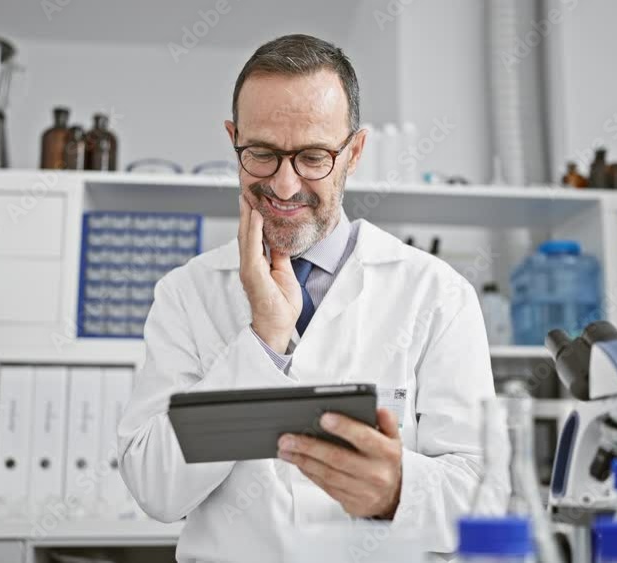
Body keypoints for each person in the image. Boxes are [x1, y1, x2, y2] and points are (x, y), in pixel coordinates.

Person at [118, 34, 506, 562]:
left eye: (313, 156)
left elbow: (487, 501)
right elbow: (155, 490)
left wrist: (396, 489)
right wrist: (263, 342)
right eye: (261, 154)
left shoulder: (436, 295)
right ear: (234, 140)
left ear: (354, 153)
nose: (283, 184)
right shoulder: (186, 293)